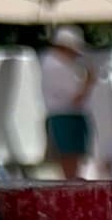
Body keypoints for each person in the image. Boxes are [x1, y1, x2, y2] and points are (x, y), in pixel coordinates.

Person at [39, 27, 95, 177]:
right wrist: (89, 82)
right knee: (70, 157)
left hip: (68, 116)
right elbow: (75, 98)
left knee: (73, 158)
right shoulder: (56, 66)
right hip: (66, 116)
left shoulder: (57, 64)